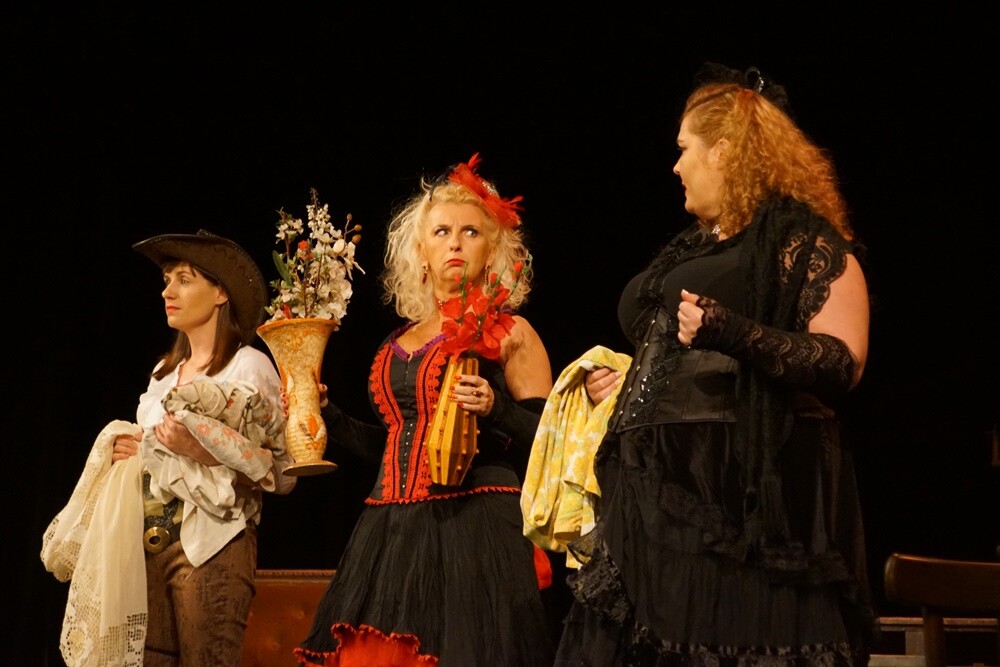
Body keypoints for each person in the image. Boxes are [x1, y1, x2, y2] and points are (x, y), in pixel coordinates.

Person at [552, 63, 876, 666]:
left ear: (724, 150)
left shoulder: (802, 243)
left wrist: (734, 332)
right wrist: (625, 380)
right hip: (652, 490)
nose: (676, 166)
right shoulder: (695, 244)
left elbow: (841, 361)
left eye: (684, 148)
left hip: (733, 493)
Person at [295, 154, 555, 667]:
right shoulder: (398, 341)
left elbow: (551, 439)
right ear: (421, 252)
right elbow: (394, 443)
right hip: (391, 529)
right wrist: (330, 417)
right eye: (441, 232)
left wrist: (496, 408)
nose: (455, 243)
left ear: (492, 250)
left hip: (476, 525)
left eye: (470, 232)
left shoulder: (511, 332)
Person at [42, 230, 296, 666]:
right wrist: (128, 453)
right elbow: (155, 455)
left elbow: (282, 473)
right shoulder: (164, 373)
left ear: (220, 292)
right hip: (145, 543)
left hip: (211, 543)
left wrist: (199, 450)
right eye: (166, 280)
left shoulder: (248, 368)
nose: (168, 292)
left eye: (184, 279)